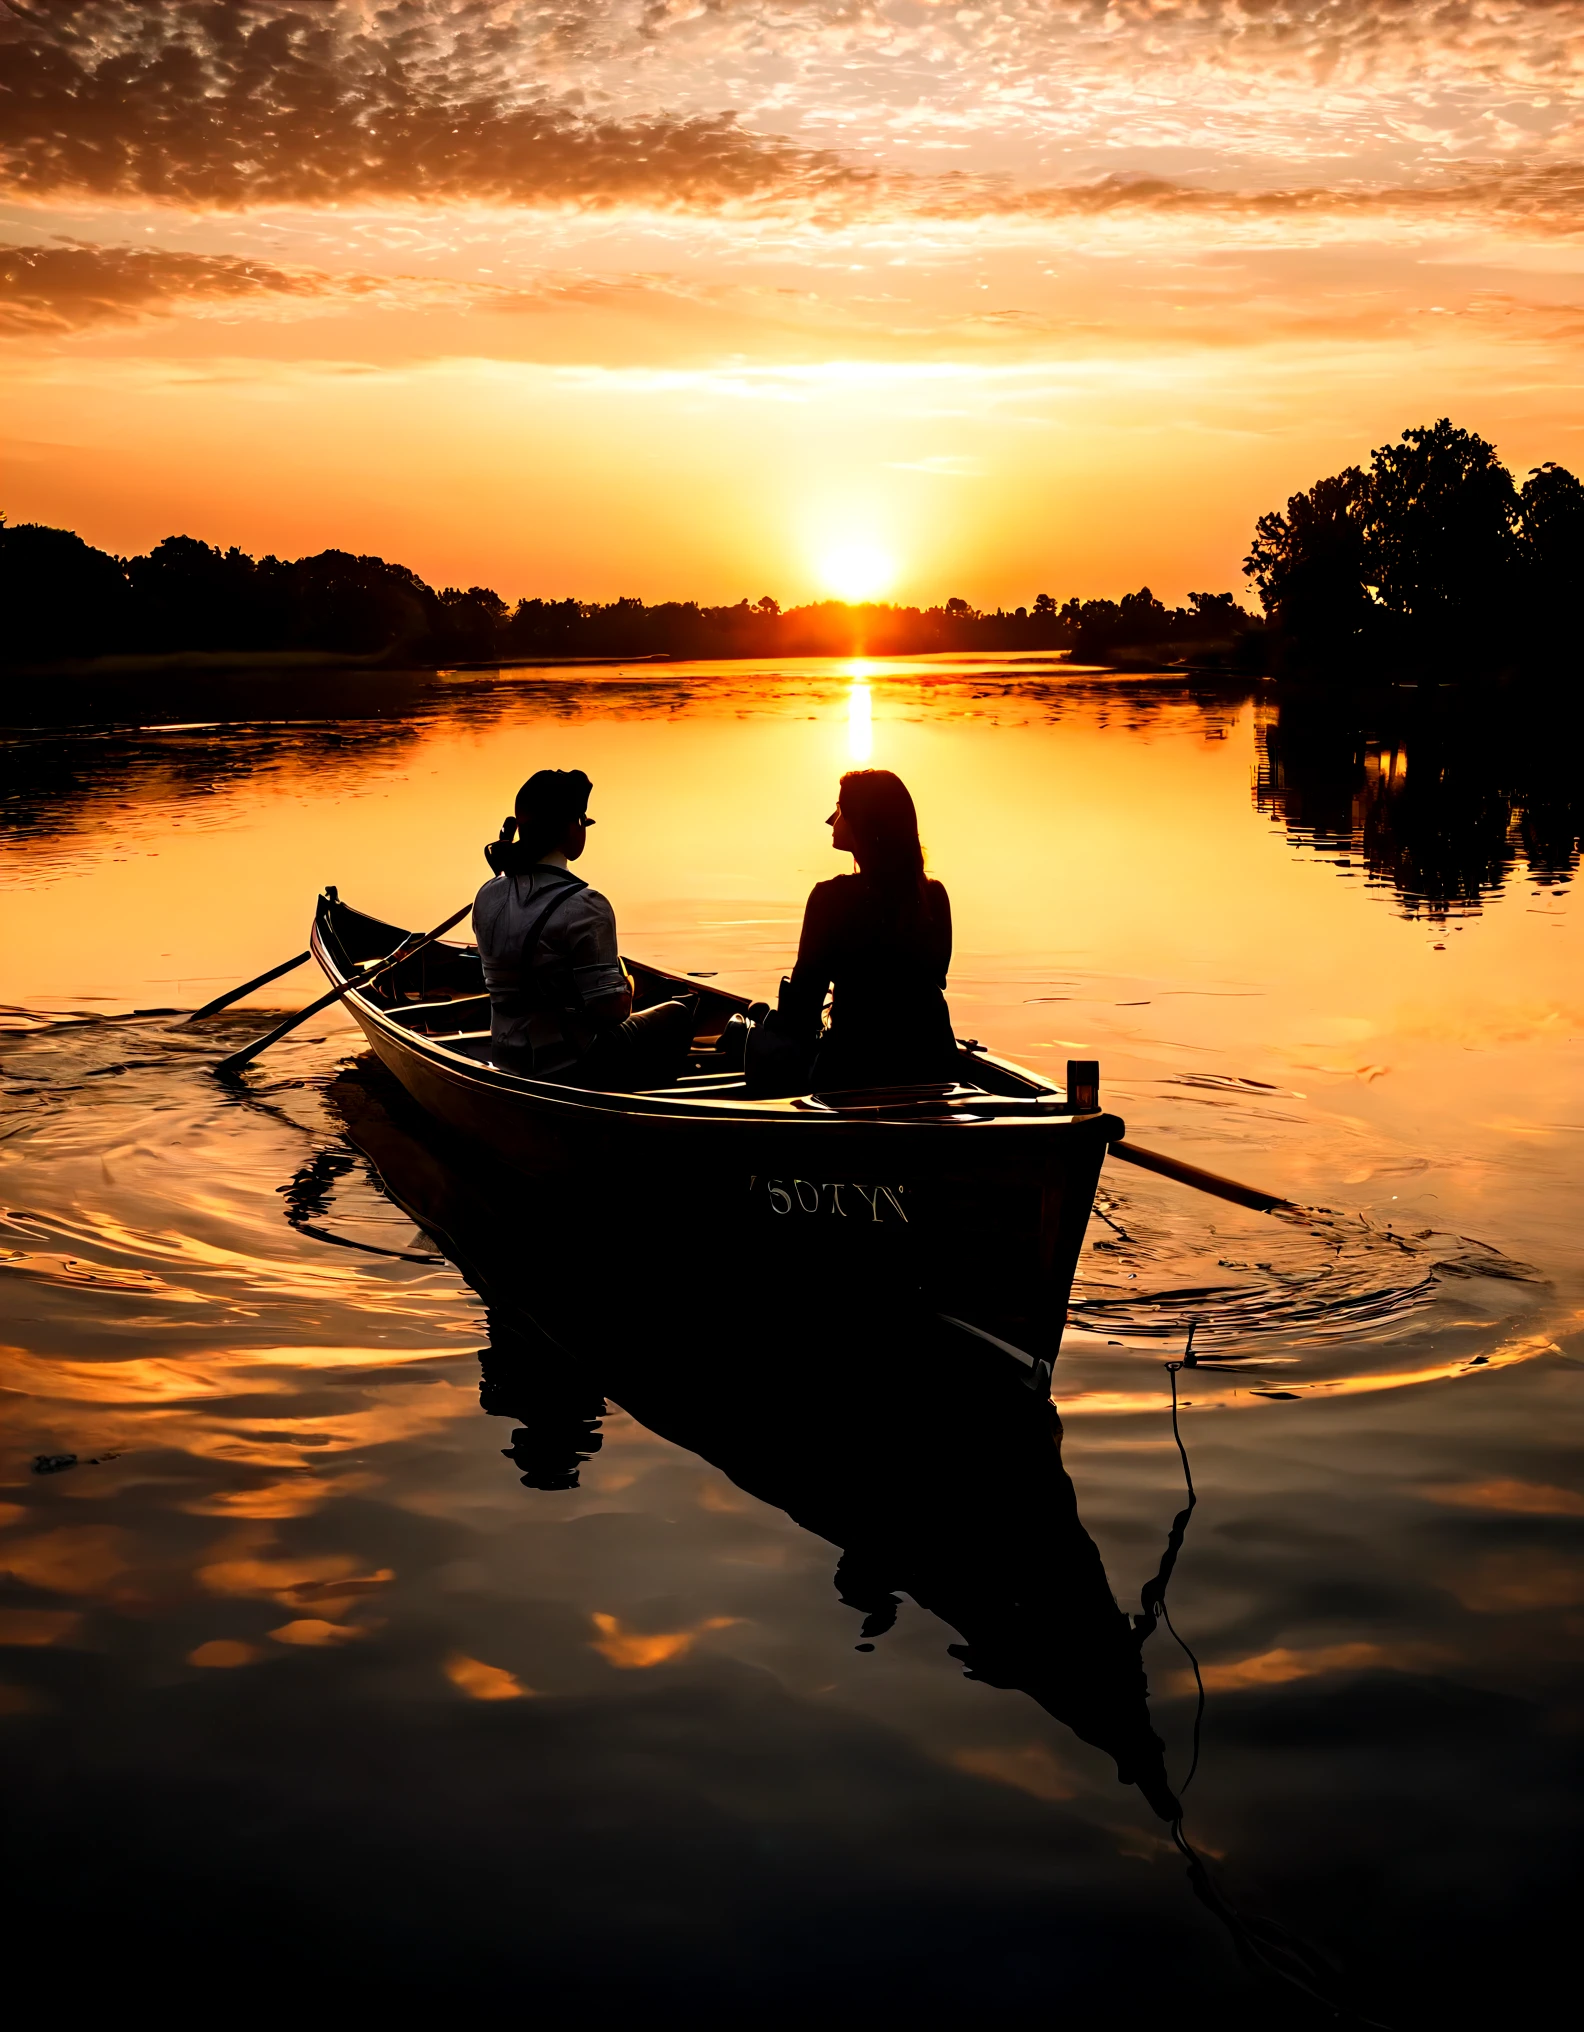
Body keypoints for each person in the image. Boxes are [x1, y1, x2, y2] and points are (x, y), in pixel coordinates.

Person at [472, 768, 696, 1089]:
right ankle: (642, 1103)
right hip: (568, 1062)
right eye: (583, 821)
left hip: (505, 1053)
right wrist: (627, 987)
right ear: (571, 828)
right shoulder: (587, 906)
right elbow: (609, 1013)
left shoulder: (487, 894)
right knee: (677, 1015)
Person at [780, 768, 958, 1092]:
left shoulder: (828, 899)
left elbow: (803, 1008)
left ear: (863, 825)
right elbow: (936, 977)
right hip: (934, 1064)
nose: (831, 820)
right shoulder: (934, 897)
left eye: (840, 810)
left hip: (852, 1069)